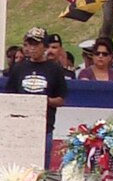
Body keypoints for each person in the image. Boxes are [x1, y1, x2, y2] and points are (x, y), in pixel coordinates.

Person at [5, 26, 68, 160]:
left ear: (44, 46)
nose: (32, 48)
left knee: (41, 165)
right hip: (21, 125)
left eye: (36, 44)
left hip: (44, 126)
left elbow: (61, 99)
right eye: (29, 44)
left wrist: (45, 101)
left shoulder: (55, 69)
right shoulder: (18, 68)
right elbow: (9, 96)